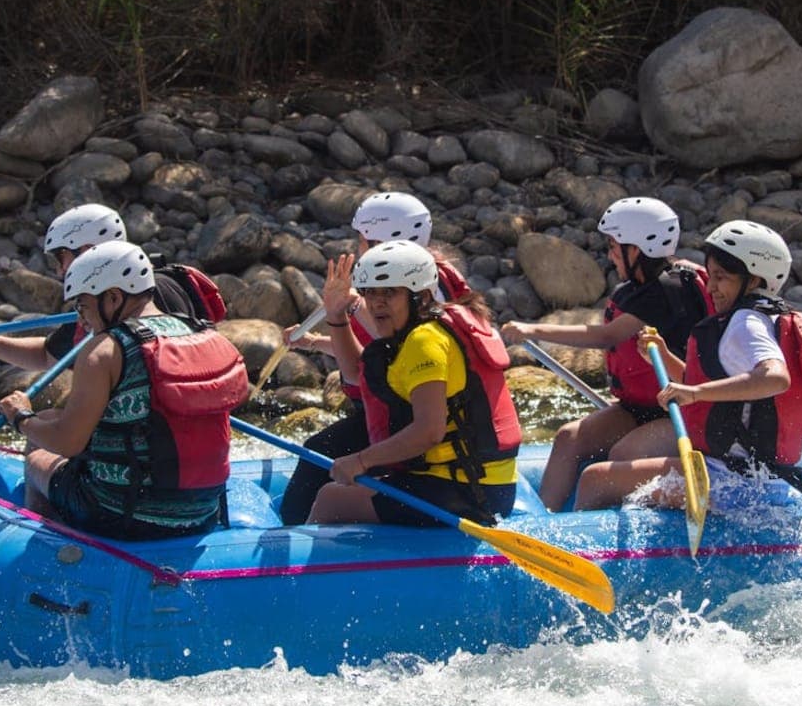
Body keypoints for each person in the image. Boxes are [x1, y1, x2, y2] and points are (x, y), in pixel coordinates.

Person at [0, 241, 248, 539]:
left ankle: (50, 553)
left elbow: (66, 442)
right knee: (55, 423)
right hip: (204, 513)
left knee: (38, 460)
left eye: (83, 305)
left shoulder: (104, 351)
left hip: (120, 514)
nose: (81, 319)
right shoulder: (201, 331)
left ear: (113, 297)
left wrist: (21, 417)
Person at [572, 220, 802, 510]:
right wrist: (665, 357)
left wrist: (695, 394)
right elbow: (719, 392)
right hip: (757, 478)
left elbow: (775, 378)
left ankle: (576, 551)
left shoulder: (746, 322)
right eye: (711, 275)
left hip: (732, 482)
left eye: (721, 278)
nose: (712, 287)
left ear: (754, 280)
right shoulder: (764, 317)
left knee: (595, 479)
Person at [501, 197, 712, 511]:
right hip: (638, 407)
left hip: (679, 411)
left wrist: (533, 330)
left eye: (614, 246)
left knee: (622, 457)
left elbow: (607, 336)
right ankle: (542, 525)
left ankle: (594, 534)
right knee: (568, 438)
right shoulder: (637, 287)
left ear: (637, 249)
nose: (610, 254)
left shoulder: (669, 291)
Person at [277, 192, 470, 524]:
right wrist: (315, 340)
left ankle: (291, 537)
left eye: (363, 240)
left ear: (386, 239)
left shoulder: (420, 293)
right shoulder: (415, 278)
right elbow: (370, 361)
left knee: (316, 455)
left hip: (412, 413)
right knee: (321, 454)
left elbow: (398, 346)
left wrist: (352, 305)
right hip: (391, 403)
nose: (358, 247)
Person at [303, 240, 520, 526]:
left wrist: (360, 460)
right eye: (370, 293)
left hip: (469, 489)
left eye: (390, 293)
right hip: (466, 480)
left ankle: (308, 572)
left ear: (419, 296)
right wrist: (336, 314)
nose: (377, 302)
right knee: (342, 490)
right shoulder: (415, 333)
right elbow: (359, 374)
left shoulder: (424, 341)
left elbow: (429, 432)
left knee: (333, 499)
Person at [0, 202, 220, 368]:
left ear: (88, 250)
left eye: (61, 257)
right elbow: (49, 356)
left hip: (148, 444)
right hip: (180, 434)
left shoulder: (118, 303)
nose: (60, 269)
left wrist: (24, 420)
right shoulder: (151, 286)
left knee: (41, 436)